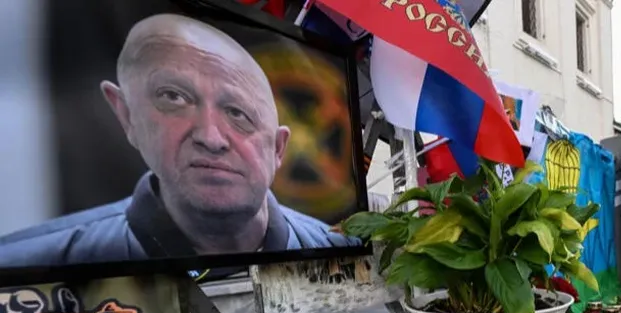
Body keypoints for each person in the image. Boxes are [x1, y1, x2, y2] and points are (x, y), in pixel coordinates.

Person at [0, 14, 357, 269]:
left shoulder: (340, 249)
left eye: (238, 114)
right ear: (126, 114)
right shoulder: (28, 265)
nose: (211, 138)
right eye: (173, 97)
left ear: (279, 149)